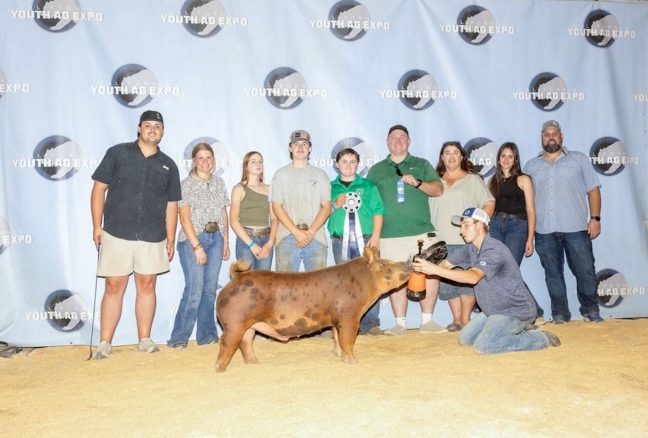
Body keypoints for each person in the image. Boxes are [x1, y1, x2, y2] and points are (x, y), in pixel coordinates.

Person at [90, 110, 181, 359]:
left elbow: (172, 205)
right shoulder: (117, 153)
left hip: (153, 235)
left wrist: (170, 237)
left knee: (147, 284)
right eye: (148, 125)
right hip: (117, 232)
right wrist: (97, 226)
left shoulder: (169, 165)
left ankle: (145, 339)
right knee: (114, 285)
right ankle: (104, 343)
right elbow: (98, 190)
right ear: (139, 128)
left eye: (158, 126)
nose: (153, 129)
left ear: (162, 132)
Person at [412, 207, 561, 354]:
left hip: (514, 310)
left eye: (466, 226)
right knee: (465, 339)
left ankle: (540, 338)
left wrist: (434, 270)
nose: (461, 230)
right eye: (461, 226)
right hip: (493, 310)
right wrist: (427, 264)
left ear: (481, 225)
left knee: (484, 346)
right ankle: (515, 330)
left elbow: (473, 277)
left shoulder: (493, 250)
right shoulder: (470, 248)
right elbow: (445, 265)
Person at [366, 125, 444, 336]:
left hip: (421, 232)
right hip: (389, 235)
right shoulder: (377, 169)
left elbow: (438, 190)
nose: (398, 141)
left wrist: (418, 183)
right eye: (393, 137)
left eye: (402, 137)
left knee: (430, 273)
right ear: (387, 142)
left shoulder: (421, 164)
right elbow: (367, 200)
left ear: (409, 141)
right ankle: (400, 323)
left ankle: (427, 321)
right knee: (396, 277)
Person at [523, 120, 603, 324]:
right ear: (541, 137)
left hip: (576, 228)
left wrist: (595, 218)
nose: (551, 137)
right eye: (546, 134)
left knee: (585, 271)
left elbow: (593, 190)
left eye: (554, 133)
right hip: (543, 231)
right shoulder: (531, 165)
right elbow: (526, 201)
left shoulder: (579, 159)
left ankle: (591, 310)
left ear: (561, 136)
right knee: (553, 275)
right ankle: (560, 313)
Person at [167, 143, 230, 348]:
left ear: (214, 160)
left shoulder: (219, 182)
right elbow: (184, 218)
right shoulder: (186, 184)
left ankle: (207, 335)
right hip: (193, 239)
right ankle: (179, 338)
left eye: (209, 157)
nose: (205, 162)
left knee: (210, 290)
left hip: (216, 238)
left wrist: (226, 240)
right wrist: (197, 246)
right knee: (195, 288)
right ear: (194, 161)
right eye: (201, 158)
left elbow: (223, 213)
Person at [429, 141, 494, 332]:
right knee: (447, 283)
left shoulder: (473, 179)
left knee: (466, 281)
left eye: (455, 152)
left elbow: (489, 202)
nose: (451, 156)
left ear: (462, 157)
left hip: (465, 240)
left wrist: (480, 227)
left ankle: (466, 319)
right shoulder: (433, 181)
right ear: (442, 157)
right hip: (439, 240)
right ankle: (456, 319)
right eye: (447, 152)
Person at [328, 148, 385, 336]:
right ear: (337, 164)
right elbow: (322, 214)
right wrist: (334, 206)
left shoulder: (368, 186)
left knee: (371, 281)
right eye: (344, 161)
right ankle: (344, 322)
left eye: (353, 161)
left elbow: (378, 211)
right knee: (344, 283)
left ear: (358, 164)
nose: (348, 165)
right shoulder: (330, 187)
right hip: (340, 241)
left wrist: (376, 236)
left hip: (367, 240)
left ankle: (371, 323)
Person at [488, 142, 544, 322]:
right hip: (495, 224)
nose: (506, 160)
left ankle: (534, 310)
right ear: (498, 159)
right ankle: (517, 311)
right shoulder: (493, 181)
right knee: (498, 271)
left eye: (510, 156)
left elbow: (531, 210)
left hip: (518, 226)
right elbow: (489, 207)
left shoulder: (524, 179)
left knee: (509, 271)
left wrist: (530, 239)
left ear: (515, 159)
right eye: (503, 156)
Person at [270, 130, 331, 272]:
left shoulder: (320, 175)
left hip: (315, 237)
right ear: (290, 148)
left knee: (317, 289)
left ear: (310, 148)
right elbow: (276, 206)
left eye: (304, 144)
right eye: (296, 144)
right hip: (286, 236)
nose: (300, 147)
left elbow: (327, 207)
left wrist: (310, 233)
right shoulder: (280, 175)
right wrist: (296, 232)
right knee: (285, 289)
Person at [230, 151, 278, 270]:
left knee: (264, 283)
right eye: (253, 161)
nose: (258, 164)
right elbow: (233, 221)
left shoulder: (269, 189)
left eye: (260, 161)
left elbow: (274, 219)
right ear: (246, 166)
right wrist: (251, 244)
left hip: (266, 239)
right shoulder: (239, 188)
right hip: (246, 240)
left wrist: (270, 243)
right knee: (247, 283)